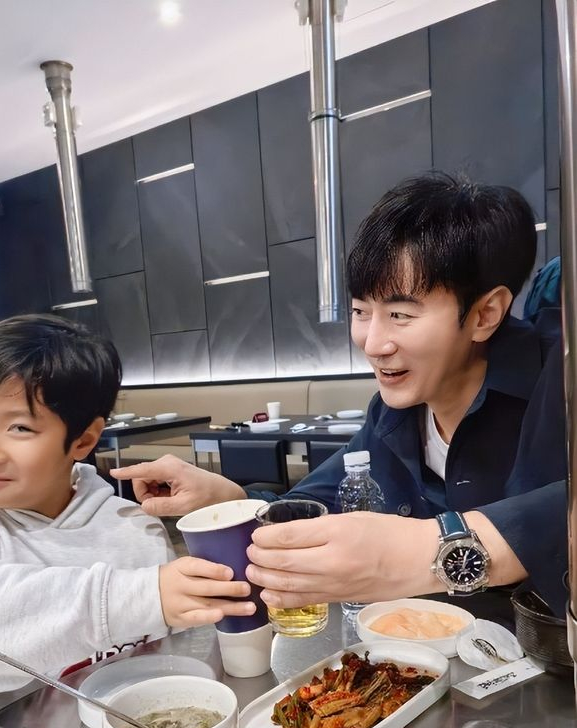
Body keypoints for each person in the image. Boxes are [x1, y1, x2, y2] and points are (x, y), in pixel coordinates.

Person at [112, 173, 568, 624]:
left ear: (485, 314)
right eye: (360, 311)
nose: (373, 343)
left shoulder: (561, 376)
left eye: (400, 314)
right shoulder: (393, 416)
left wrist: (426, 549)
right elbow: (315, 505)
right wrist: (228, 498)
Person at [0, 314, 255, 728]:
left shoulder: (132, 526)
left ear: (83, 440)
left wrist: (229, 509)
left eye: (19, 428)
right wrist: (142, 595)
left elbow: (163, 657)